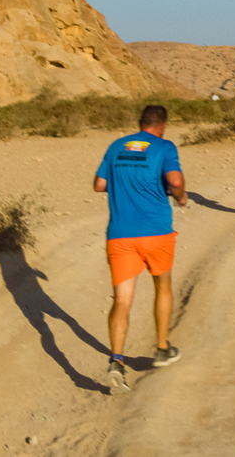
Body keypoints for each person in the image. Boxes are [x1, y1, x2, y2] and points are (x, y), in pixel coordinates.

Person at [93, 104, 188, 393]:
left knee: (122, 299)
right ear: (162, 126)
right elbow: (175, 180)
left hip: (120, 235)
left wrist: (125, 184)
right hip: (157, 232)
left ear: (140, 123)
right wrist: (180, 197)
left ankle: (117, 361)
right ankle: (161, 348)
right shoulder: (164, 146)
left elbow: (99, 184)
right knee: (163, 285)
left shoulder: (117, 146)